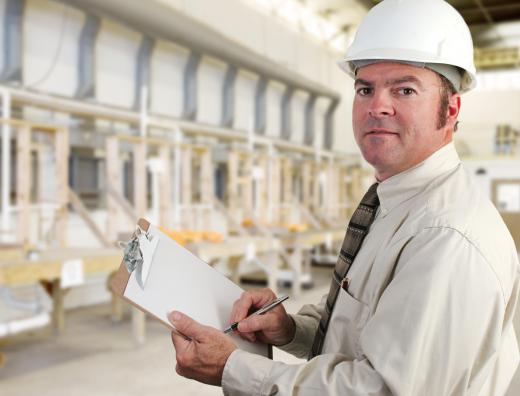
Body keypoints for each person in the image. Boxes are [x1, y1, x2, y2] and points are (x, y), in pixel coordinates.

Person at [168, 0, 520, 394]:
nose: (378, 106)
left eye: (404, 89)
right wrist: (289, 329)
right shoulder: (394, 204)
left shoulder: (446, 236)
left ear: (450, 109)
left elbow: (380, 389)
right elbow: (359, 326)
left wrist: (232, 367)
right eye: (365, 89)